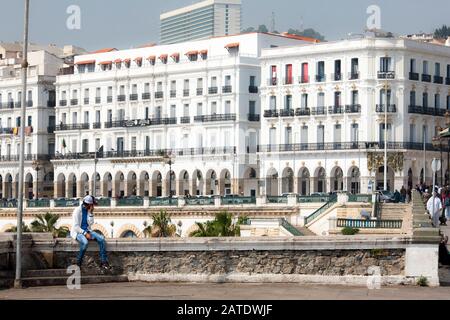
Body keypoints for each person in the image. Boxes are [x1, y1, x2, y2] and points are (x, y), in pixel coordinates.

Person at [70, 195, 110, 269]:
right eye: (92, 205)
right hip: (78, 232)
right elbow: (76, 227)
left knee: (101, 239)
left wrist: (91, 213)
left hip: (88, 230)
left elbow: (91, 223)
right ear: (88, 204)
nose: (93, 206)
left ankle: (103, 261)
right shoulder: (77, 211)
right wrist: (85, 234)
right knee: (85, 243)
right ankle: (78, 262)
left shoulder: (88, 211)